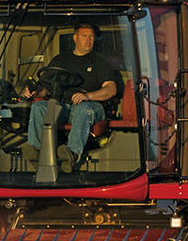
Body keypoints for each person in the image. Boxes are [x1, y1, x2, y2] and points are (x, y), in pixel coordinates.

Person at [23, 22, 119, 172]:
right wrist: (34, 92)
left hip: (93, 106)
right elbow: (45, 89)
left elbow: (111, 89)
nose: (88, 40)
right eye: (84, 36)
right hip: (64, 106)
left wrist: (87, 96)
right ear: (75, 38)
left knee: (83, 108)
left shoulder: (100, 62)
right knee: (39, 106)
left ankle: (72, 154)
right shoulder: (60, 60)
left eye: (91, 37)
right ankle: (35, 150)